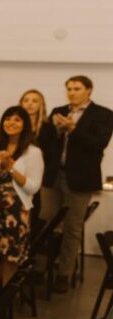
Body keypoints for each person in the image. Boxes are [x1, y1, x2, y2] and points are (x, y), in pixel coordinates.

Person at [41, 76, 113, 292]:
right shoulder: (59, 110)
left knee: (72, 227)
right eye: (69, 88)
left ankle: (64, 273)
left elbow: (98, 143)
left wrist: (73, 129)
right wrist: (54, 129)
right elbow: (45, 144)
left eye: (77, 88)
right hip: (53, 175)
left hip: (80, 179)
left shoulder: (103, 114)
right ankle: (39, 268)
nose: (72, 92)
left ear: (88, 90)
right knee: (46, 223)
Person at [0, 106, 44, 288]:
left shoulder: (33, 152)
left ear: (25, 125)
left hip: (16, 212)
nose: (11, 123)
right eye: (7, 118)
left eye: (17, 120)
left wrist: (10, 167)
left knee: (10, 257)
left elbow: (33, 187)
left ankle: (4, 302)